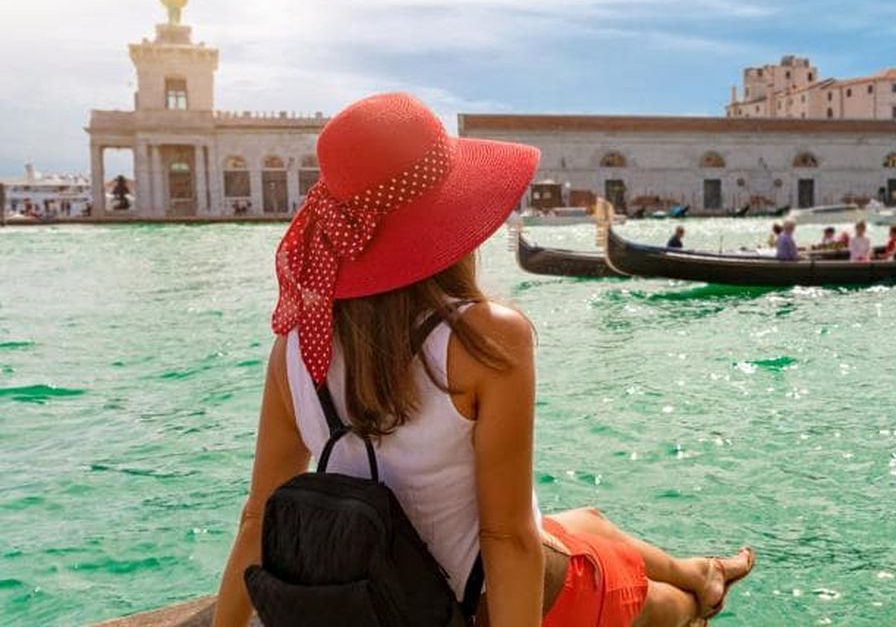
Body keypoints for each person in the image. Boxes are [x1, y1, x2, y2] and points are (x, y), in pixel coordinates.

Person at [212, 94, 753, 627]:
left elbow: (257, 518)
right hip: (476, 601)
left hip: (375, 590)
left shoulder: (294, 348)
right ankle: (697, 595)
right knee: (664, 605)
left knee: (591, 523)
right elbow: (506, 537)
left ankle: (698, 568)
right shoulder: (483, 338)